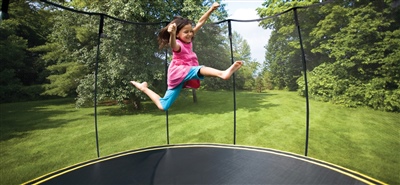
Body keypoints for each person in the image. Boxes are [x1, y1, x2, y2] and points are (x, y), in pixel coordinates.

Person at [130, 2, 242, 111]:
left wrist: (211, 10)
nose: (190, 34)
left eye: (190, 31)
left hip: (182, 74)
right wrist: (172, 34)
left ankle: (143, 87)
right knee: (197, 70)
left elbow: (200, 22)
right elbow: (172, 44)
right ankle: (222, 73)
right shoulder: (178, 45)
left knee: (163, 106)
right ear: (178, 34)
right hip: (178, 72)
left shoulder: (189, 38)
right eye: (186, 32)